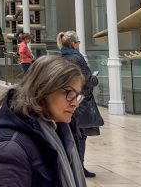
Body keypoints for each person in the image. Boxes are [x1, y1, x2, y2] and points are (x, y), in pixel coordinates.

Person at [0, 55, 87, 187]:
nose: (75, 104)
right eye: (69, 94)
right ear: (44, 89)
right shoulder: (11, 148)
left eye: (76, 96)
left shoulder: (60, 131)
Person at [57, 31, 103, 179]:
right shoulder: (77, 58)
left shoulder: (62, 57)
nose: (78, 45)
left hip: (67, 99)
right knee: (80, 135)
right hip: (80, 101)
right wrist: (94, 79)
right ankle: (78, 167)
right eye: (78, 43)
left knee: (72, 134)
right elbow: (87, 80)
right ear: (74, 43)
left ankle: (73, 166)